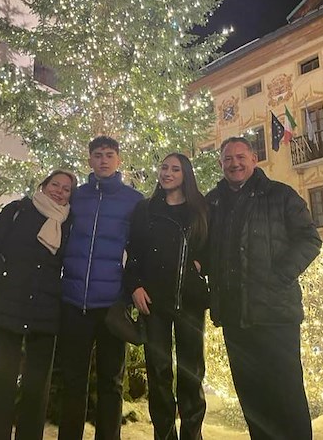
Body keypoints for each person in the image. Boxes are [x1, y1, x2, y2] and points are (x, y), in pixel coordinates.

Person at [205, 137, 322, 440]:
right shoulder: (213, 202)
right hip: (234, 315)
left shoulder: (279, 195)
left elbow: (309, 239)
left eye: (240, 157)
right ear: (221, 164)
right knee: (252, 397)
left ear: (254, 159)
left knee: (286, 394)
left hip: (275, 315)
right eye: (228, 159)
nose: (235, 163)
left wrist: (280, 275)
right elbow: (204, 249)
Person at [0, 169, 76, 440]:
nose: (59, 190)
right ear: (43, 185)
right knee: (1, 388)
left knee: (36, 392)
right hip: (6, 308)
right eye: (54, 184)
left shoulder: (70, 223)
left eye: (66, 189)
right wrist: (2, 275)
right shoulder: (17, 210)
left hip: (45, 314)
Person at [58, 136, 143, 440]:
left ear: (118, 159)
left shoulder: (134, 201)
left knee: (111, 383)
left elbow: (141, 250)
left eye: (109, 155)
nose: (103, 160)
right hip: (73, 302)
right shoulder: (76, 197)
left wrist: (131, 291)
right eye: (97, 155)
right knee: (73, 381)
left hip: (111, 307)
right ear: (89, 160)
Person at [124, 153, 209, 440]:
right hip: (153, 301)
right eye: (164, 168)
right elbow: (133, 253)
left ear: (186, 173)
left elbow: (214, 248)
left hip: (190, 301)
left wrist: (200, 265)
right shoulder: (145, 209)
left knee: (191, 373)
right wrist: (134, 286)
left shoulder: (200, 209)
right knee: (158, 374)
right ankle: (164, 435)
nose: (168, 173)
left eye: (175, 168)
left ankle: (192, 435)